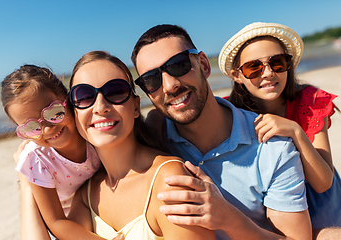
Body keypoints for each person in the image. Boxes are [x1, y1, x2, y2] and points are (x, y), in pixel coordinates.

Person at [131, 24, 312, 239]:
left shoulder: (273, 147)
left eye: (178, 65)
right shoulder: (152, 138)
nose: (169, 86)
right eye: (151, 80)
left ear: (205, 65)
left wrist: (228, 219)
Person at [66, 50, 215, 240]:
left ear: (136, 107)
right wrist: (29, 183)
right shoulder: (86, 195)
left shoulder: (169, 182)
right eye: (84, 96)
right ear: (74, 113)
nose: (100, 106)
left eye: (115, 91)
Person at [218, 22, 341, 239]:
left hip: (321, 203)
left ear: (288, 65)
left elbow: (323, 184)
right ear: (237, 75)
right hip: (270, 202)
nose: (267, 73)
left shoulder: (310, 101)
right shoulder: (229, 112)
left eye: (277, 62)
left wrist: (295, 131)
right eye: (253, 67)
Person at [1, 65, 122, 240]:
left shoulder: (92, 132)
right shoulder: (37, 159)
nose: (48, 129)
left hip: (100, 201)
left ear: (68, 99)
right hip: (67, 222)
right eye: (32, 127)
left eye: (53, 113)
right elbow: (56, 221)